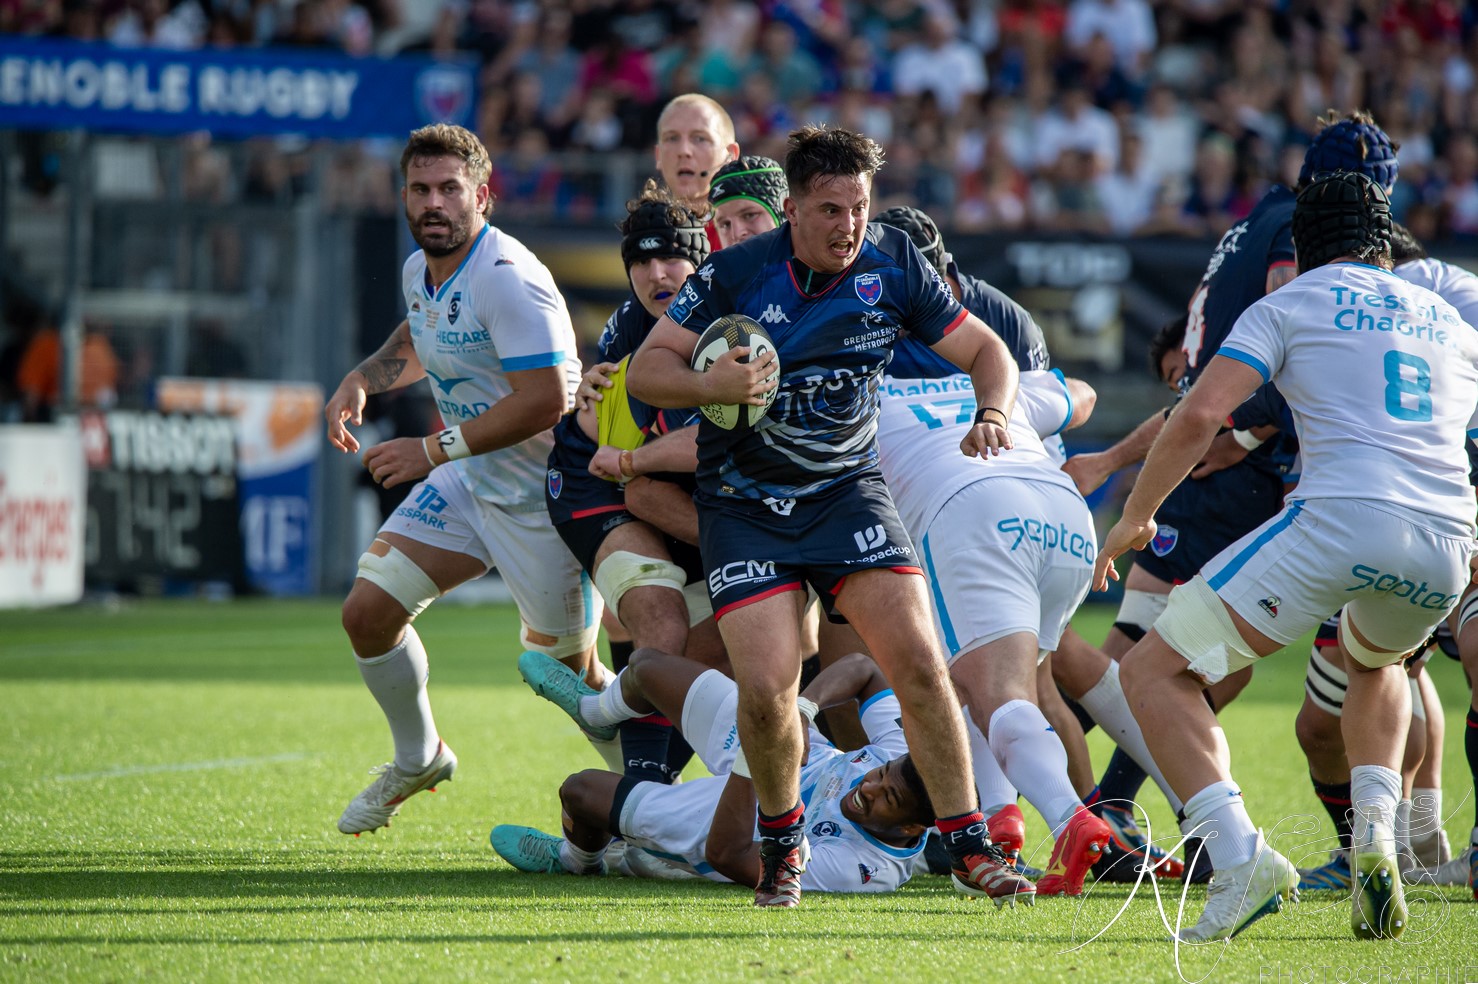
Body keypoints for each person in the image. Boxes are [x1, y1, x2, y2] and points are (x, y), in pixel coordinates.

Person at [626, 124, 1031, 908]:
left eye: (860, 205)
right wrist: (714, 390)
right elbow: (650, 369)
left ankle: (973, 844)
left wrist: (993, 411)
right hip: (746, 506)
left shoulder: (894, 263)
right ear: (794, 212)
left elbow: (991, 354)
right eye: (830, 208)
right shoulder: (737, 272)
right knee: (771, 688)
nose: (849, 225)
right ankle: (783, 849)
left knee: (917, 661)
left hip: (847, 496)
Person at [1095, 170, 1478, 942]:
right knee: (1378, 664)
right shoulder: (1450, 318)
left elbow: (1203, 408)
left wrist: (1137, 515)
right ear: (1385, 241)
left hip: (1340, 517)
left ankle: (1241, 858)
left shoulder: (1292, 300)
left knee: (1149, 670)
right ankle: (1377, 831)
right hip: (1447, 540)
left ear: (1300, 247)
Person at [1059, 111, 1402, 865]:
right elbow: (1285, 340)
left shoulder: (1249, 224)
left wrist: (1120, 460)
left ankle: (1050, 803)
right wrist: (1248, 433)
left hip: (1200, 452)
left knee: (1124, 649)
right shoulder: (1301, 241)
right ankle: (1133, 813)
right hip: (1242, 465)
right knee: (1210, 659)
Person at [323, 124, 601, 836]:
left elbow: (547, 400)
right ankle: (419, 757)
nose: (434, 202)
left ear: (482, 194)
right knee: (367, 613)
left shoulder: (508, 278)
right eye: (420, 189)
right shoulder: (425, 269)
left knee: (573, 683)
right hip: (471, 481)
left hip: (544, 499)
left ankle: (657, 802)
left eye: (450, 188)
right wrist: (363, 379)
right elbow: (419, 335)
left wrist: (431, 450)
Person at [874, 359, 1116, 895]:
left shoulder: (866, 390)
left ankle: (1069, 818)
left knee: (994, 694)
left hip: (972, 510)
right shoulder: (993, 379)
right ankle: (1001, 820)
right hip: (1065, 517)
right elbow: (1082, 393)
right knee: (976, 685)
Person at [494, 648, 933, 892]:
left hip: (727, 821)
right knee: (648, 667)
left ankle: (577, 860)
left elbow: (730, 854)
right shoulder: (901, 759)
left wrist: (758, 756)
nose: (868, 784)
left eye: (886, 796)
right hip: (796, 749)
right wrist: (800, 712)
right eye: (880, 772)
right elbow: (863, 668)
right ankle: (596, 710)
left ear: (913, 825)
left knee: (579, 790)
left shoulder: (860, 870)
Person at [545, 183, 722, 785]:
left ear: (701, 258)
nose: (655, 273)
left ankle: (626, 793)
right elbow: (629, 466)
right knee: (664, 623)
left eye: (670, 257)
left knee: (734, 642)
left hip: (650, 478)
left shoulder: (732, 327)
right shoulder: (632, 326)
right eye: (641, 262)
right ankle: (639, 799)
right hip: (594, 485)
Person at [653, 93, 740, 252]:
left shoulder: (748, 236)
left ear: (731, 155)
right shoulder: (644, 235)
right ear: (658, 155)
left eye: (700, 138)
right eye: (672, 138)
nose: (684, 151)